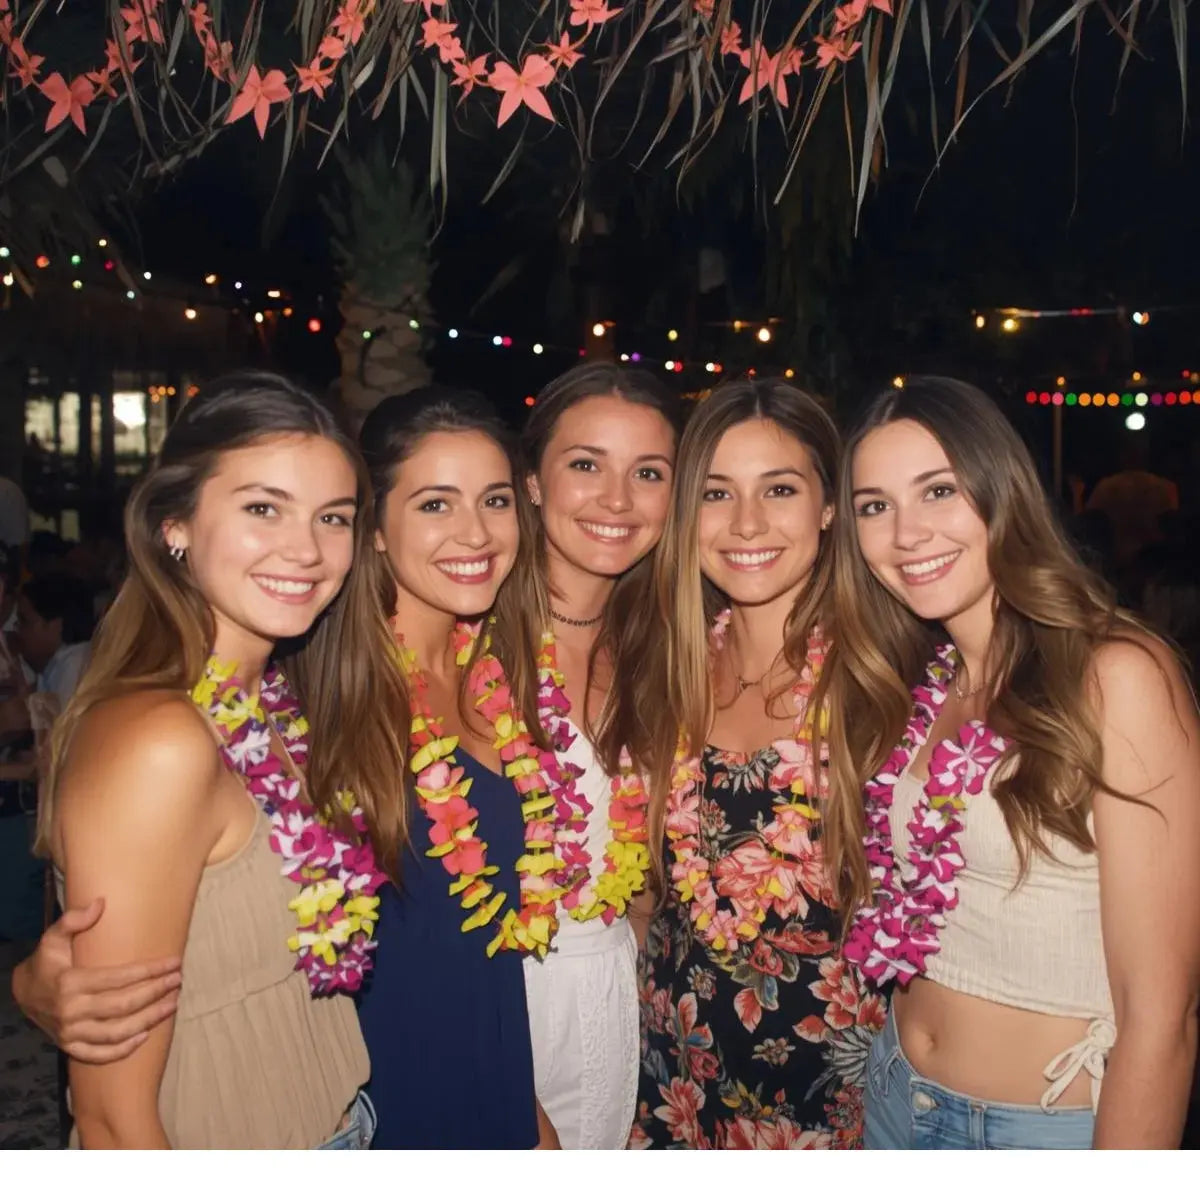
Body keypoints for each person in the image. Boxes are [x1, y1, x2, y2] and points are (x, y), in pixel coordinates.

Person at [17, 371, 410, 1149]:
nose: (305, 550)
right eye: (263, 508)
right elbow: (110, 1120)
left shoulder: (276, 703)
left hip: (339, 1127)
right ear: (175, 524)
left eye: (332, 518)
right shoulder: (160, 740)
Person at [821, 376, 1200, 1150]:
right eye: (874, 506)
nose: (907, 532)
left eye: (939, 491)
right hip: (895, 1093)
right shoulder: (927, 681)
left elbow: (1163, 1015)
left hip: (1042, 1129)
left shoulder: (1114, 675)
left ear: (1003, 491)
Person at [627, 379, 884, 1150]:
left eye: (779, 488)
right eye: (715, 492)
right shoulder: (660, 677)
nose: (746, 523)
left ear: (829, 506)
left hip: (841, 1101)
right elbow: (642, 898)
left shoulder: (884, 686)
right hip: (676, 1084)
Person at [353, 386, 554, 1150]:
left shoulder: (497, 678)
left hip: (495, 1091)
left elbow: (485, 950)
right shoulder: (332, 694)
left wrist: (528, 1118)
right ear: (374, 526)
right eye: (436, 504)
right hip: (384, 1106)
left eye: (495, 500)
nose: (475, 532)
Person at [516, 364, 684, 1148]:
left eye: (647, 473)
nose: (617, 500)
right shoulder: (460, 645)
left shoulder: (667, 655)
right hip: (496, 1008)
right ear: (533, 484)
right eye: (586, 464)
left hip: (620, 1008)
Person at [15, 574, 95, 712]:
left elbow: (57, 731)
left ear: (55, 625)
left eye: (24, 621)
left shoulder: (74, 665)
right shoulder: (60, 664)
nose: (18, 629)